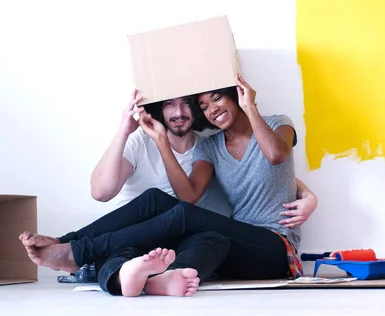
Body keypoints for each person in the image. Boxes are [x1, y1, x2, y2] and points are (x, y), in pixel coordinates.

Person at [20, 74, 307, 296]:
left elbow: (276, 156)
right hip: (234, 242)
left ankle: (77, 253)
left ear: (236, 95)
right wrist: (159, 141)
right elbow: (189, 195)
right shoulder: (210, 148)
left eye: (217, 99)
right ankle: (160, 278)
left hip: (275, 246)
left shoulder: (278, 123)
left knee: (186, 217)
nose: (212, 110)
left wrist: (251, 107)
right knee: (164, 206)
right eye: (204, 106)